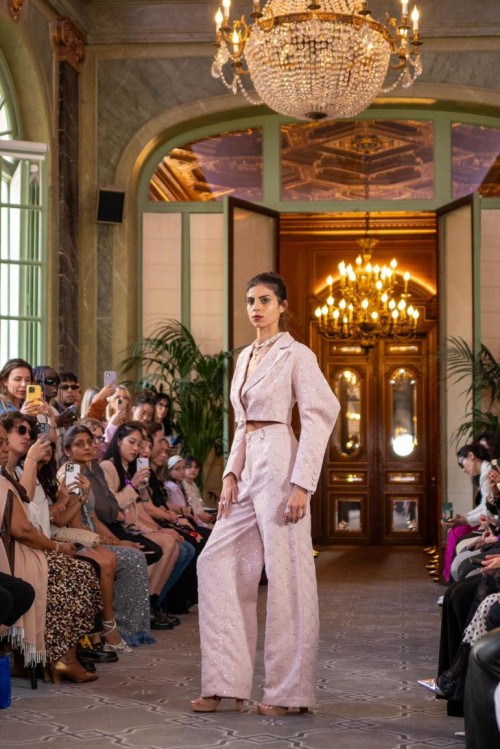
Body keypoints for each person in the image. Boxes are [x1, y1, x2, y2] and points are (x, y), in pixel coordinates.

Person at [192, 271, 340, 716]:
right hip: (247, 464)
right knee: (215, 561)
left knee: (287, 575)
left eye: (265, 300)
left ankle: (288, 693)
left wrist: (302, 484)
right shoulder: (244, 357)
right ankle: (225, 682)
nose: (255, 308)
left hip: (280, 460)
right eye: (250, 301)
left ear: (282, 306)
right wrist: (230, 474)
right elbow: (241, 421)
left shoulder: (298, 354)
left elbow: (321, 413)